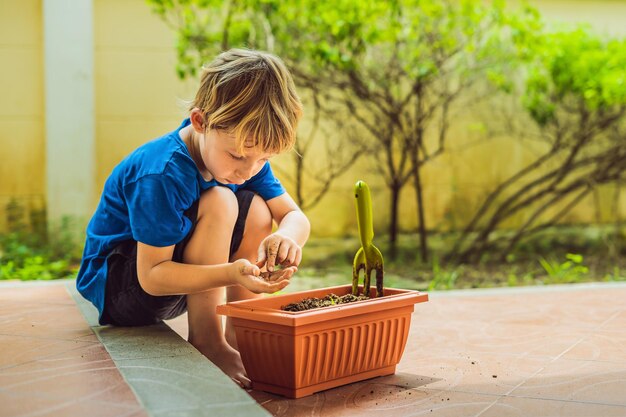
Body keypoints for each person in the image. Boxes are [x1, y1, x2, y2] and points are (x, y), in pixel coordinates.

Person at [76, 48, 310, 388]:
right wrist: (231, 273)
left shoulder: (245, 156)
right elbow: (152, 277)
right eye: (238, 156)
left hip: (173, 283)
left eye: (263, 159)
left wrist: (288, 235)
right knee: (220, 200)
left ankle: (242, 330)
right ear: (200, 122)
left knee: (257, 205)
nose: (248, 171)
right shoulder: (162, 172)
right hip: (121, 290)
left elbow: (293, 215)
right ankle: (208, 339)